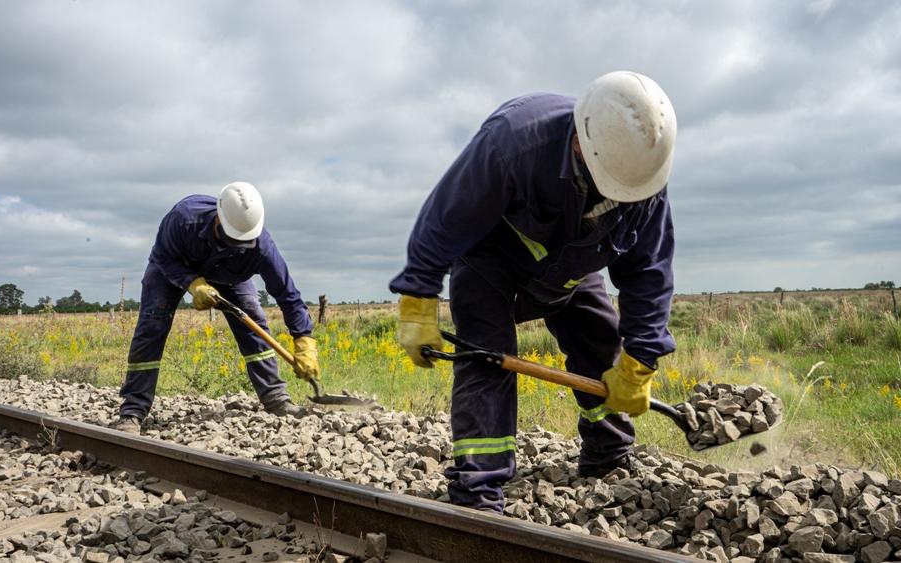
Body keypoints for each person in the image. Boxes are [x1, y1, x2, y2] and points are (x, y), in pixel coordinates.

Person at [389, 71, 677, 513]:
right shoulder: (512, 142)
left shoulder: (643, 178)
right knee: (485, 358)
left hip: (574, 269)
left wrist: (641, 357)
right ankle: (478, 491)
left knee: (601, 346)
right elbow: (444, 219)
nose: (616, 195)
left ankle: (609, 455)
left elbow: (649, 271)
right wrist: (417, 300)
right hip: (490, 261)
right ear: (581, 141)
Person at [113, 182, 319, 433]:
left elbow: (288, 294)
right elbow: (163, 257)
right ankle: (133, 411)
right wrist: (192, 283)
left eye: (243, 240)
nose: (237, 244)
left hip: (230, 276)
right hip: (173, 269)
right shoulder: (184, 218)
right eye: (233, 238)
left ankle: (276, 399)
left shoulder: (261, 246)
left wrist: (304, 340)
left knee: (253, 324)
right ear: (219, 220)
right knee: (152, 327)